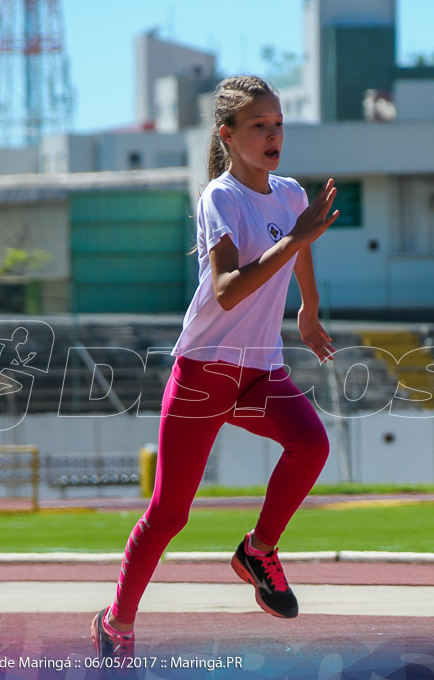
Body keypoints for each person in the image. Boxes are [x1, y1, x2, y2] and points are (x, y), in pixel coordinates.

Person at [91, 75, 340, 662]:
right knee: (170, 513)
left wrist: (309, 309)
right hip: (204, 372)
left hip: (259, 372)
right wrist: (297, 240)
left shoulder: (292, 195)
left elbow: (299, 248)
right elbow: (228, 290)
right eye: (260, 126)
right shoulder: (220, 198)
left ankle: (258, 551)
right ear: (228, 135)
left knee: (311, 444)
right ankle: (117, 621)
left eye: (278, 124)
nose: (274, 134)